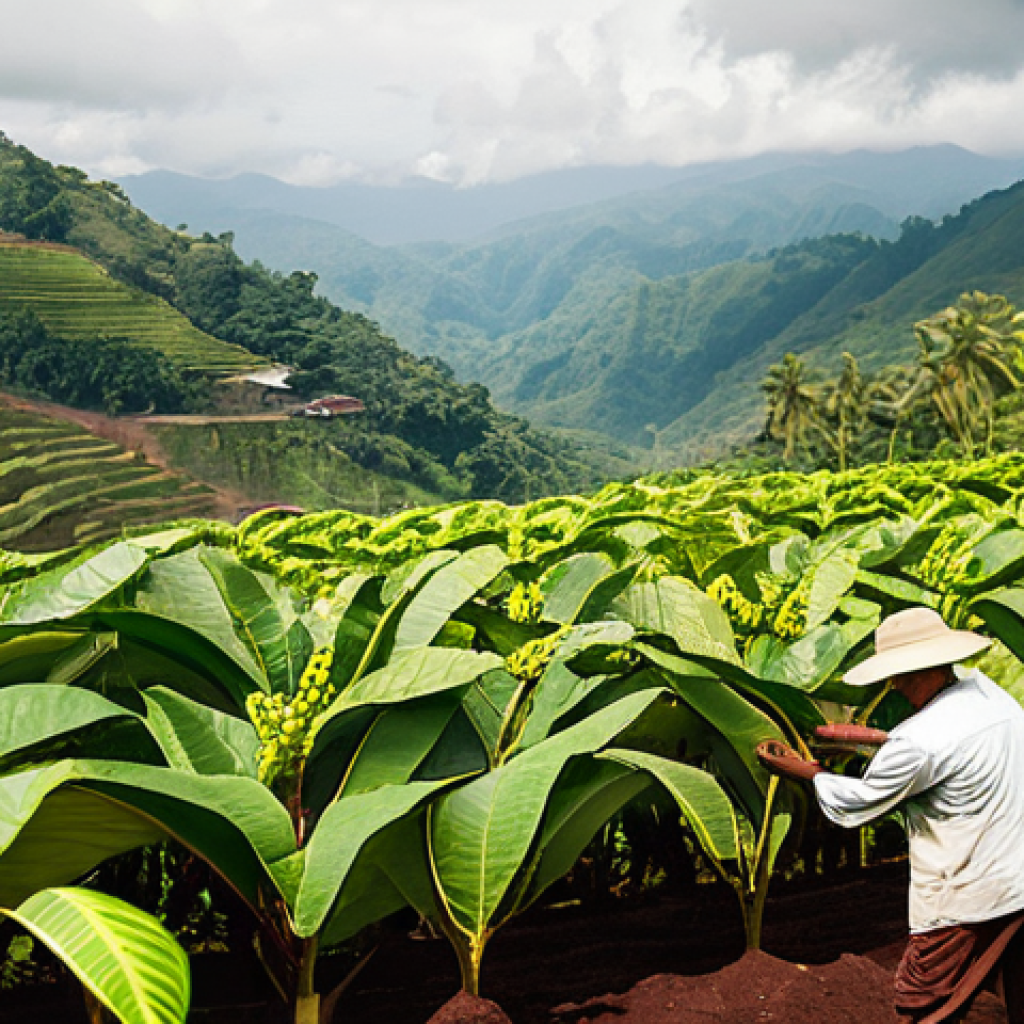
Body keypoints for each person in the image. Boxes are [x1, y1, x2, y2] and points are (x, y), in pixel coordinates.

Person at [756, 606, 1024, 1024]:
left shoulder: (919, 741)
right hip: (1017, 881)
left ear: (920, 670)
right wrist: (883, 743)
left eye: (901, 675)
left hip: (966, 892)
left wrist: (804, 772)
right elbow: (952, 755)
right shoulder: (992, 697)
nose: (896, 686)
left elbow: (859, 802)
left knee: (926, 1001)